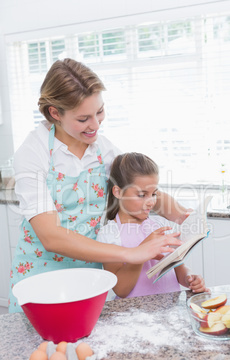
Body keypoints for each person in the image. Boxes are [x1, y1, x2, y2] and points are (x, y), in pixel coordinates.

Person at [9, 58, 190, 312]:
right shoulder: (33, 152)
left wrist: (182, 213)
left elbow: (136, 188)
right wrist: (131, 254)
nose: (95, 125)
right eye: (83, 118)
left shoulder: (102, 149)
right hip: (43, 278)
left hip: (93, 276)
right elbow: (51, 236)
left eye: (100, 112)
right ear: (55, 113)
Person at [97, 152, 208, 299]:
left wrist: (190, 279)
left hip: (170, 311)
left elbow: (178, 270)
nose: (151, 202)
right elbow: (121, 290)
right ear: (118, 192)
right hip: (133, 315)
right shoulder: (109, 234)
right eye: (142, 195)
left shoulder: (160, 225)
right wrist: (142, 251)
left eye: (154, 194)